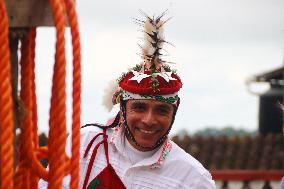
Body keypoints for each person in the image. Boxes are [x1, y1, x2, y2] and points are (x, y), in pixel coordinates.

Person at [39, 11, 216, 189]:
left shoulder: (194, 178)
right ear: (122, 108)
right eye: (139, 107)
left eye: (162, 110)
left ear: (174, 111)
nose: (149, 120)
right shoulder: (85, 143)